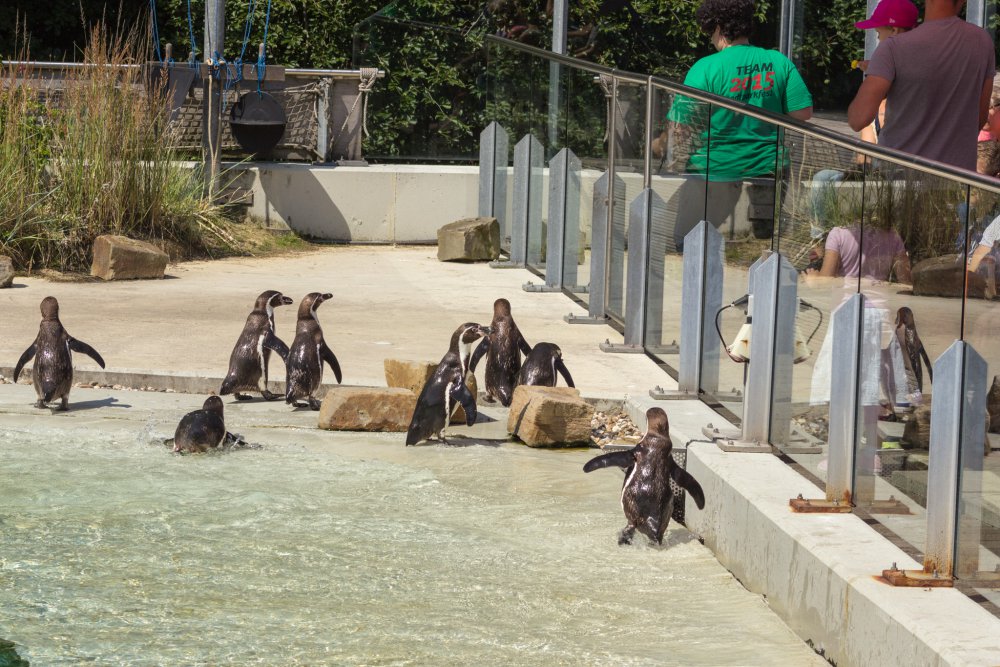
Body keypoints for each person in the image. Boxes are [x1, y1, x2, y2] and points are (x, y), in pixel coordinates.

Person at [655, 0, 813, 180]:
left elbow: (679, 129)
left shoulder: (705, 68)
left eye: (709, 32)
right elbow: (803, 113)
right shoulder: (779, 61)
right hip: (768, 169)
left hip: (713, 171)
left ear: (718, 28)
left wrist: (658, 145)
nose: (711, 38)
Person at [847, 0, 995, 171]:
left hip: (899, 176)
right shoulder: (982, 41)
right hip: (957, 179)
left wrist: (876, 73)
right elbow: (980, 116)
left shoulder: (893, 48)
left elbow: (857, 119)